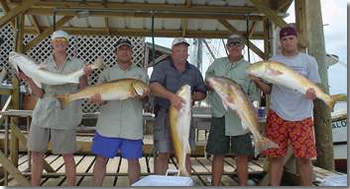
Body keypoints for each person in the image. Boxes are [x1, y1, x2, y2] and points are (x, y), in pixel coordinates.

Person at [250, 25, 320, 186]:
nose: (288, 42)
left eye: (291, 38)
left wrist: (314, 93)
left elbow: (316, 87)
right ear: (280, 42)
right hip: (277, 114)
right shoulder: (274, 61)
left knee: (304, 158)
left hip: (302, 116)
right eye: (284, 39)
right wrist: (258, 81)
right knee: (276, 157)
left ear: (296, 39)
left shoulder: (309, 61)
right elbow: (268, 90)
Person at [19, 30, 91, 186]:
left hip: (66, 115)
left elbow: (84, 89)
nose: (60, 42)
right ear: (52, 42)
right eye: (57, 40)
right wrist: (28, 79)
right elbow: (39, 93)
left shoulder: (78, 64)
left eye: (63, 40)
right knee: (36, 154)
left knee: (68, 155)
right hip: (42, 115)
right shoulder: (43, 65)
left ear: (67, 43)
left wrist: (85, 75)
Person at [90, 38, 149, 186]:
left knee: (133, 160)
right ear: (115, 53)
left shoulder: (141, 73)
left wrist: (143, 97)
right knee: (101, 159)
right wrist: (98, 99)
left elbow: (146, 101)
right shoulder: (106, 73)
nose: (124, 51)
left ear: (131, 52)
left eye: (127, 49)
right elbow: (100, 100)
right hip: (107, 126)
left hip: (132, 126)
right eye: (121, 49)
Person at [205, 34, 262, 186]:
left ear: (243, 46)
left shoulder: (249, 68)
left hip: (240, 118)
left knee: (242, 156)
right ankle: (215, 186)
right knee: (218, 154)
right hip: (220, 115)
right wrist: (213, 84)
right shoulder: (217, 64)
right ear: (227, 47)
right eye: (231, 44)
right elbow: (208, 81)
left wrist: (249, 110)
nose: (235, 46)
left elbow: (254, 96)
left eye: (238, 44)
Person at [150, 37, 207, 175]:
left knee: (185, 152)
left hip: (185, 116)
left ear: (187, 53)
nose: (182, 53)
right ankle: (159, 184)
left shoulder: (194, 71)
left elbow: (202, 92)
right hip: (164, 114)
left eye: (184, 50)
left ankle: (184, 179)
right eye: (178, 50)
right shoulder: (162, 67)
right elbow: (153, 86)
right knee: (163, 152)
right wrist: (171, 97)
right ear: (172, 52)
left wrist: (191, 97)